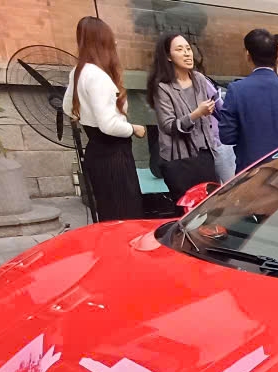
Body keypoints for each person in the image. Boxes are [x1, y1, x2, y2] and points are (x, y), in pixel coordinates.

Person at [63, 16, 146, 221]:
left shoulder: (78, 71)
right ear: (102, 42)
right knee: (125, 215)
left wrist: (86, 114)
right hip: (113, 154)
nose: (115, 43)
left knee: (109, 214)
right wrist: (133, 128)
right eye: (111, 39)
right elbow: (108, 125)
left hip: (96, 151)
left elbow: (67, 108)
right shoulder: (97, 76)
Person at [219, 29, 278, 172]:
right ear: (275, 55)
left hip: (250, 173)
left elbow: (227, 136)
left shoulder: (237, 90)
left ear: (248, 55)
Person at [146, 33, 221, 193]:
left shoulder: (199, 79)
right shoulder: (163, 87)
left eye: (188, 48)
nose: (187, 53)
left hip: (205, 154)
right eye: (179, 49)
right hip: (180, 158)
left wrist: (208, 110)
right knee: (187, 204)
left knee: (209, 202)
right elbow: (168, 126)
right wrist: (196, 114)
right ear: (168, 57)